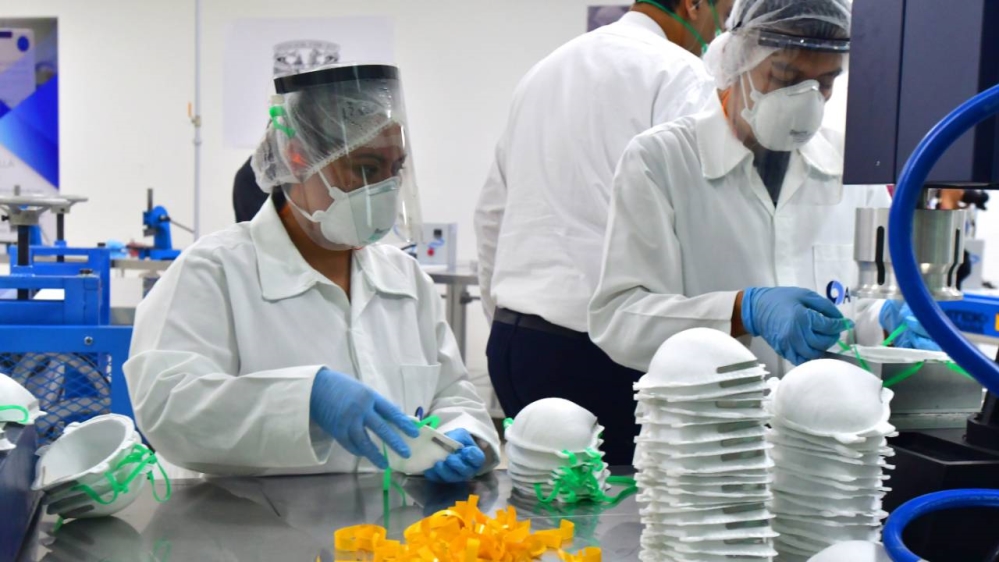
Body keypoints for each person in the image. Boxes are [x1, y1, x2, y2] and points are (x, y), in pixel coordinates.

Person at [125, 64, 499, 481]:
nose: (384, 188)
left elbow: (453, 393)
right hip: (247, 517)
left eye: (394, 170)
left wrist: (464, 434)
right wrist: (304, 400)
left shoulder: (406, 279)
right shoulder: (212, 272)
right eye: (365, 168)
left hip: (391, 517)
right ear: (298, 159)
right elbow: (168, 410)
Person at [589, 0, 942, 379]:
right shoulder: (662, 159)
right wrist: (741, 311)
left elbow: (857, 307)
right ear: (737, 60)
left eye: (824, 83)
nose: (806, 99)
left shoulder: (849, 165)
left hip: (824, 411)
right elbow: (620, 319)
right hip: (709, 411)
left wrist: (885, 321)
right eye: (785, 77)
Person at [474, 0, 733, 466]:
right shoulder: (681, 74)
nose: (721, 32)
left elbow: (492, 212)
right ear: (694, 4)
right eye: (725, 12)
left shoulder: (545, 71)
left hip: (516, 346)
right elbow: (699, 222)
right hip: (604, 354)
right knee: (623, 504)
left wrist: (505, 314)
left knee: (539, 501)